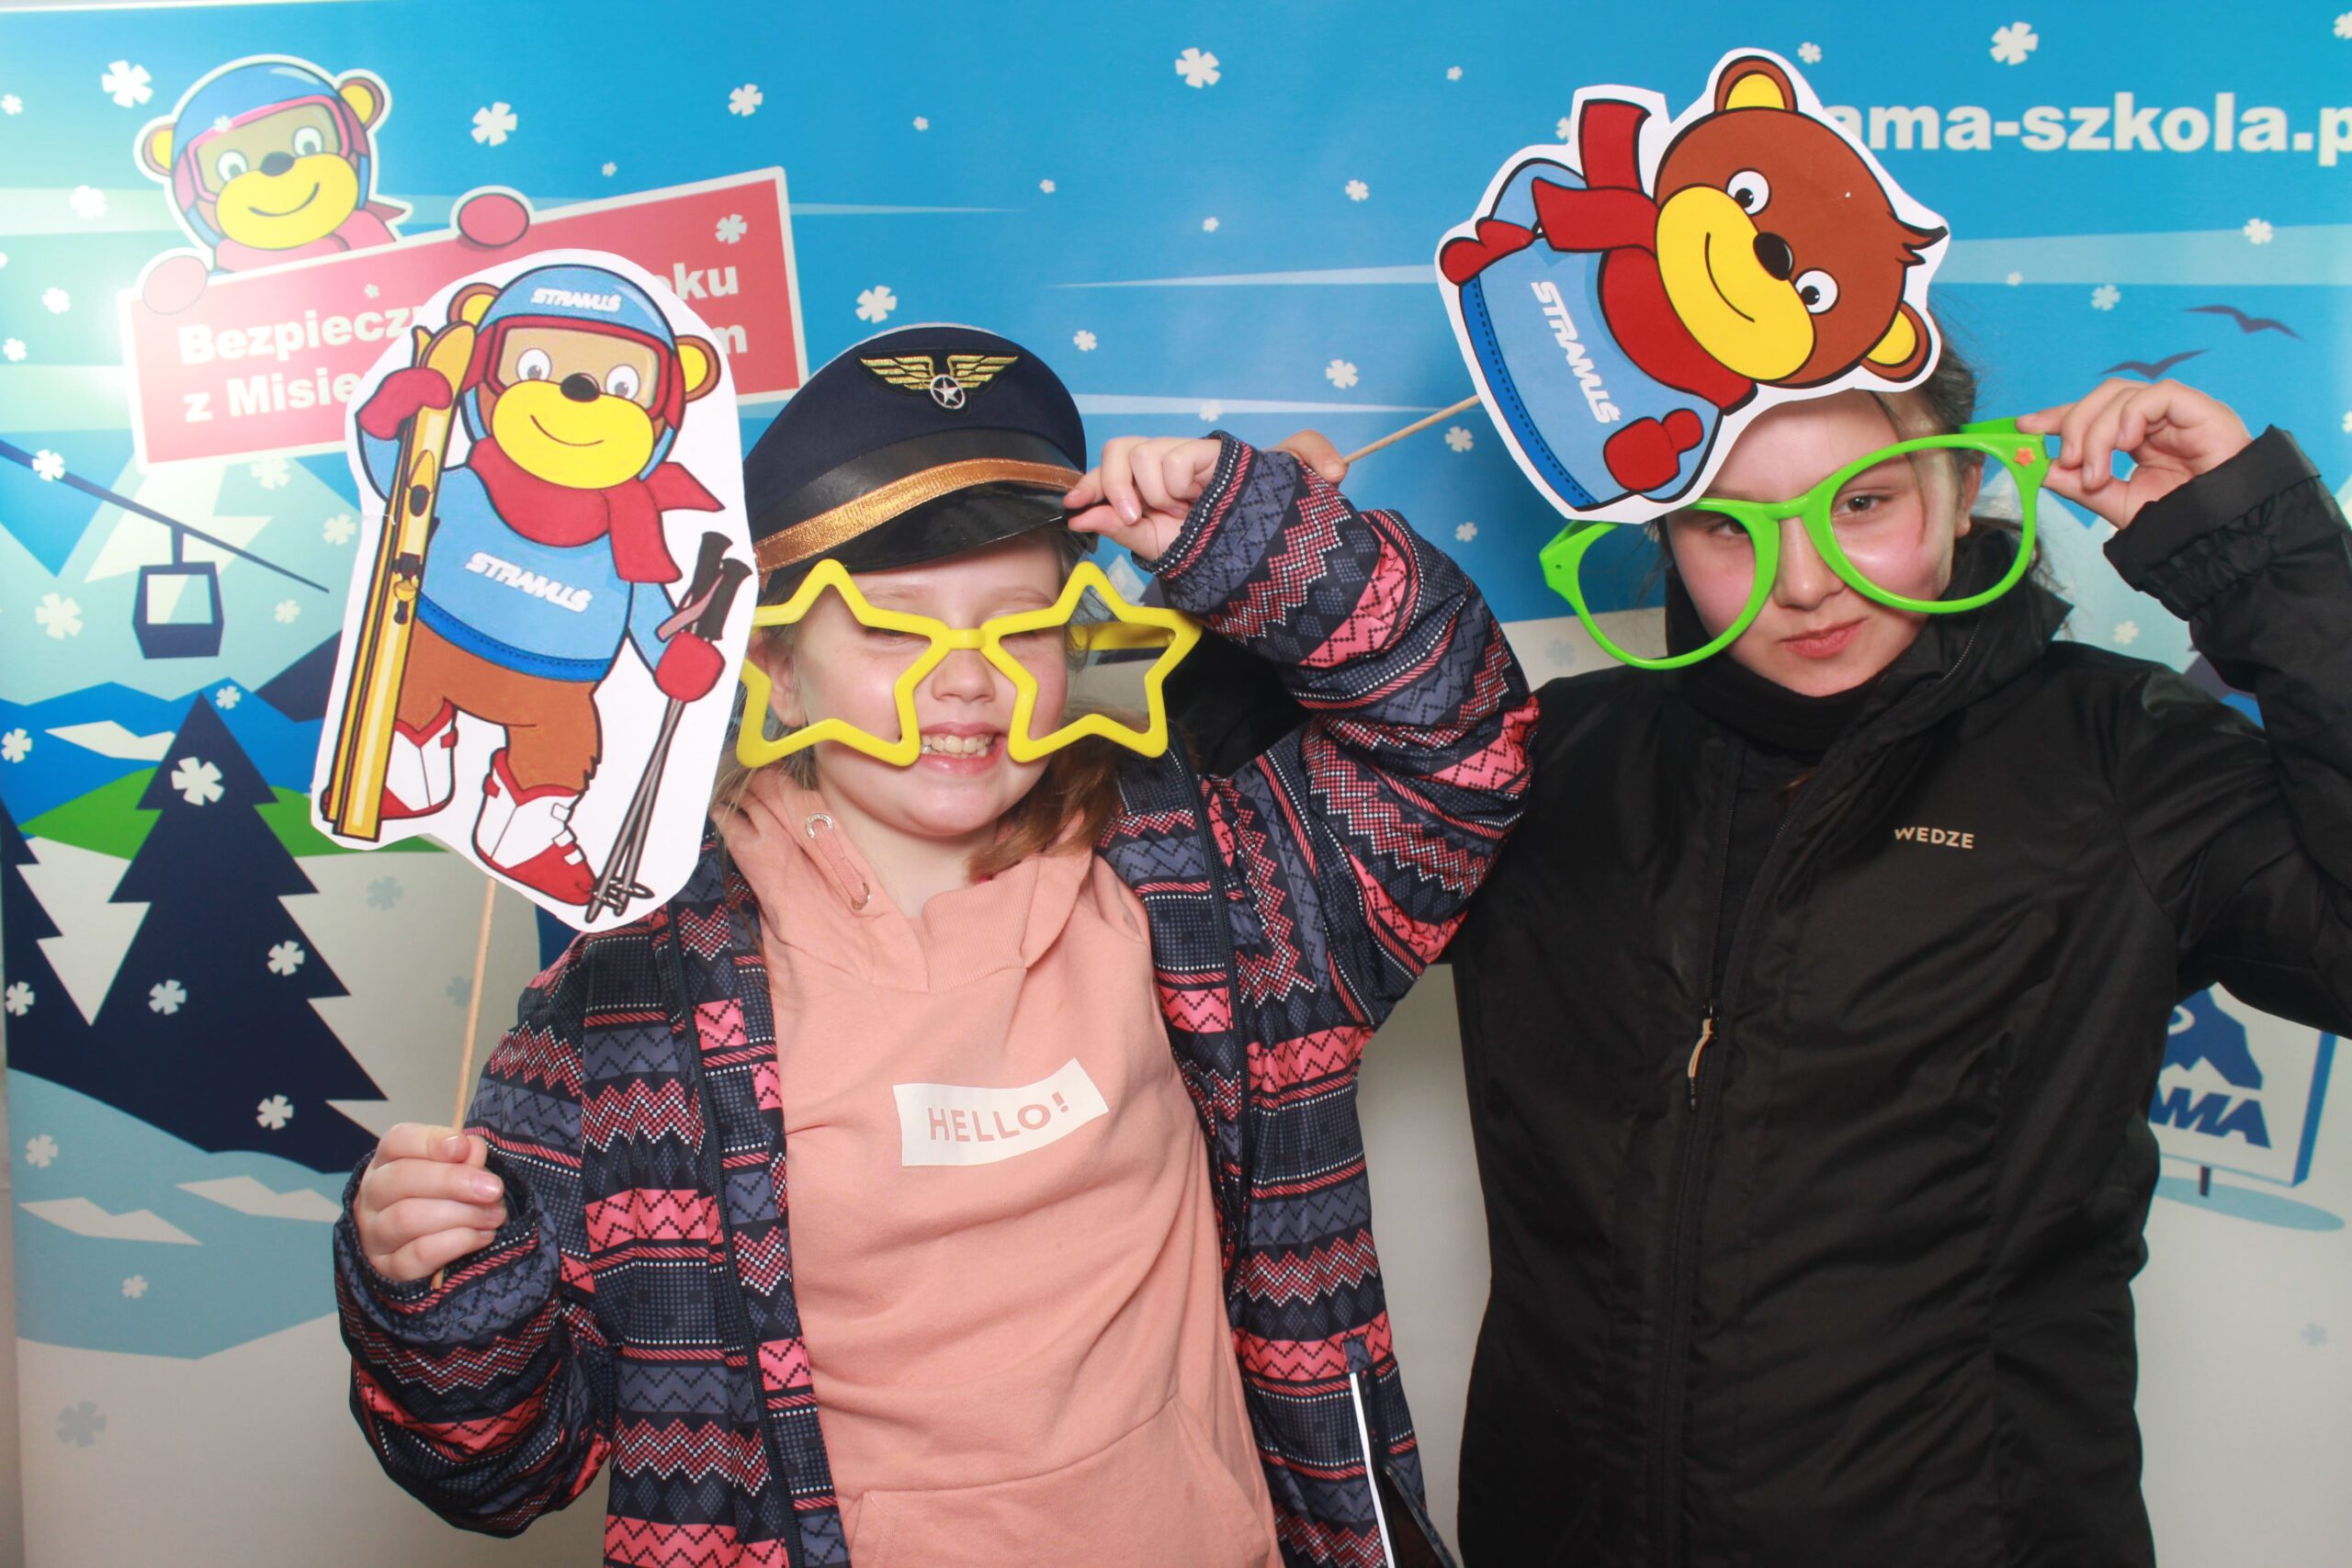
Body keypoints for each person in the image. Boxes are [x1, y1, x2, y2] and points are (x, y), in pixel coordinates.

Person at [333, 325, 1533, 1568]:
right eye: (895, 631)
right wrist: (440, 1292)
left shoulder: (1215, 898)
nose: (964, 681)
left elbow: (1463, 755)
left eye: (1017, 625)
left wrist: (1265, 544)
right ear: (779, 671)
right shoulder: (626, 1013)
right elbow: (507, 1470)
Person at [1183, 355, 2352, 1566]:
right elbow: (1245, 909)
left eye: (1865, 503)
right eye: (1727, 527)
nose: (1804, 582)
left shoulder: (2121, 758)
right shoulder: (1554, 764)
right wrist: (1264, 591)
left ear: (1960, 489)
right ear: (1662, 531)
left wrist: (2256, 554)